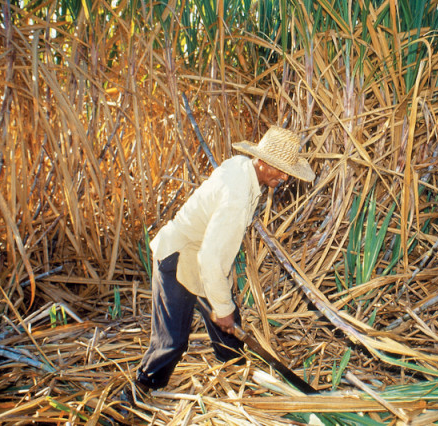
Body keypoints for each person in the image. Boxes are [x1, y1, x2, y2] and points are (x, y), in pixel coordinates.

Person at [135, 126, 315, 391]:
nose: (286, 178)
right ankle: (137, 393)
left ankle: (235, 379)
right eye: (281, 169)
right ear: (262, 162)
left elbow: (212, 250)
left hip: (199, 254)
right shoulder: (238, 197)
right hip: (178, 255)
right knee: (172, 340)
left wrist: (224, 307)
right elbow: (211, 257)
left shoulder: (244, 167)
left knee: (229, 323)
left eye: (288, 171)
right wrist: (222, 308)